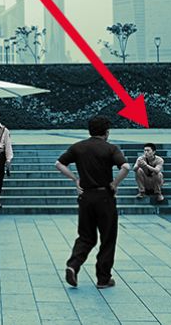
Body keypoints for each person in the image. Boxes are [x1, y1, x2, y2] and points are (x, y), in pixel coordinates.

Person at [55, 115, 130, 289]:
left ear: (90, 130)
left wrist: (75, 179)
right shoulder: (110, 148)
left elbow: (59, 163)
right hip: (105, 197)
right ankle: (103, 279)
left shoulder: (78, 147)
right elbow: (125, 167)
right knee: (108, 237)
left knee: (86, 236)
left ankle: (73, 265)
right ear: (107, 132)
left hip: (86, 197)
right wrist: (114, 183)